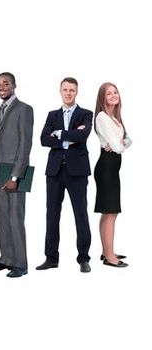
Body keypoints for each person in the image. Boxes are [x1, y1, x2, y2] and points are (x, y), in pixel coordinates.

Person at [37, 78, 95, 273]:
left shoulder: (86, 114)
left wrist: (59, 133)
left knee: (81, 214)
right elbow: (43, 139)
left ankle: (84, 258)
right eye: (65, 90)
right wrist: (68, 137)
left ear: (76, 92)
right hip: (54, 171)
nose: (68, 93)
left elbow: (82, 136)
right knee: (51, 215)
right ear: (60, 91)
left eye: (72, 90)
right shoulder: (52, 115)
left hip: (77, 171)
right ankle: (51, 257)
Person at [0, 72, 35, 278]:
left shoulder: (25, 109)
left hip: (16, 170)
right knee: (2, 218)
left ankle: (21, 264)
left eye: (5, 83)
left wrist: (15, 176)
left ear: (15, 85)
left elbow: (25, 144)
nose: (1, 87)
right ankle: (6, 259)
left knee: (16, 218)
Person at [92, 82, 130, 268]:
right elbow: (116, 147)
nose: (114, 95)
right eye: (109, 93)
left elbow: (128, 139)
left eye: (115, 92)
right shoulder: (102, 117)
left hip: (112, 167)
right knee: (110, 211)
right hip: (106, 167)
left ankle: (107, 250)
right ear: (103, 98)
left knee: (108, 212)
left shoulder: (114, 117)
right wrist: (119, 143)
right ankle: (109, 257)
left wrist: (120, 142)